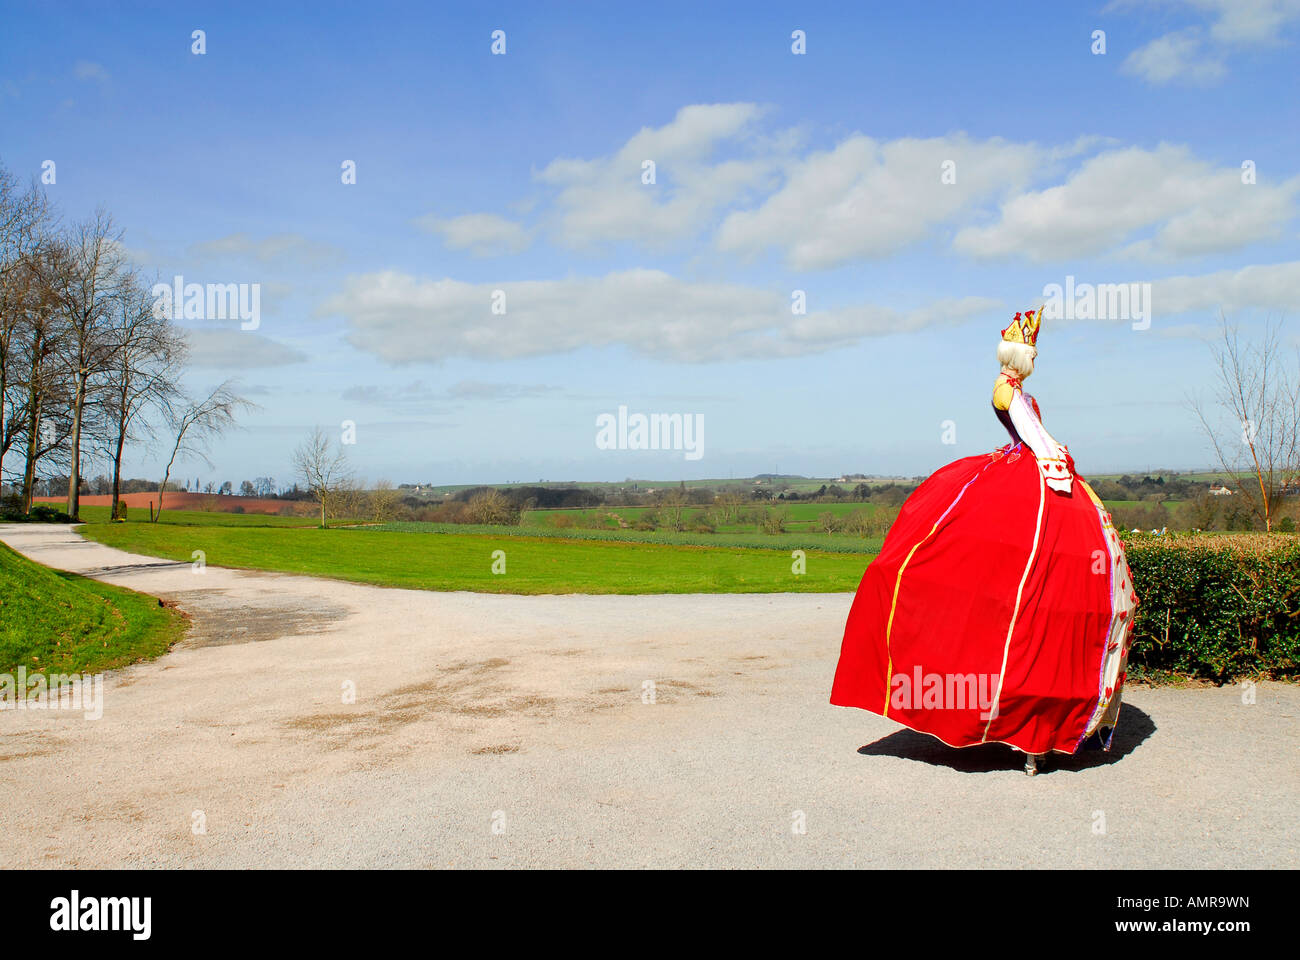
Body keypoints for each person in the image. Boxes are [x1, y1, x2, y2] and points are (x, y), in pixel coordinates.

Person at [829, 307, 1138, 775]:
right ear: (1022, 355)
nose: (1032, 357)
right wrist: (1056, 456)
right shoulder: (1006, 390)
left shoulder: (1019, 390)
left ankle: (1045, 711)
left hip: (1035, 469)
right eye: (1031, 351)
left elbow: (1038, 434)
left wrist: (1054, 454)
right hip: (1028, 469)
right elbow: (1033, 435)